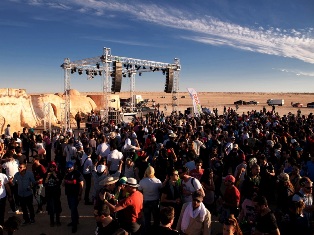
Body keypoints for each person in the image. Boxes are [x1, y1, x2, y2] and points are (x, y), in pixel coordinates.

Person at [139, 166, 162, 233]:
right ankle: (156, 231)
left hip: (146, 201)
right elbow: (160, 189)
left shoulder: (142, 181)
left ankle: (147, 231)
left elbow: (140, 191)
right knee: (156, 218)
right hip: (155, 201)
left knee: (147, 218)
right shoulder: (157, 181)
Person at [63, 161, 84, 233]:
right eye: (67, 168)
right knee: (72, 208)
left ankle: (74, 225)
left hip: (75, 195)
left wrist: (80, 194)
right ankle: (75, 221)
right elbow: (64, 183)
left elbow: (81, 184)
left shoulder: (77, 173)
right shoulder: (67, 174)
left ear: (73, 167)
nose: (68, 169)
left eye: (70, 168)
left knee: (73, 209)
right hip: (69, 194)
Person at [43, 161, 62, 227]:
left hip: (56, 192)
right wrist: (47, 177)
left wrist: (55, 176)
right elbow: (44, 184)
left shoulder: (57, 173)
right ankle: (52, 221)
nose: (52, 168)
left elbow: (59, 182)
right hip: (49, 193)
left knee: (57, 206)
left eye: (53, 167)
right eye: (50, 167)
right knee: (51, 207)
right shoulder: (46, 174)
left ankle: (58, 220)